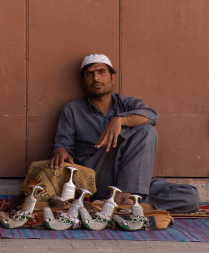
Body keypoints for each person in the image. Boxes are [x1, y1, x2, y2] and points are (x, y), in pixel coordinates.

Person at [47, 54, 199, 213]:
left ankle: (119, 204)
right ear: (83, 82)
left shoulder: (127, 104)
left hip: (133, 176)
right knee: (146, 131)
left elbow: (152, 115)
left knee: (190, 197)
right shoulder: (72, 109)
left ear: (113, 78)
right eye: (89, 74)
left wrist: (119, 120)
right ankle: (127, 203)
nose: (96, 78)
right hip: (96, 176)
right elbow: (63, 146)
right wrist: (61, 151)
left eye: (101, 72)